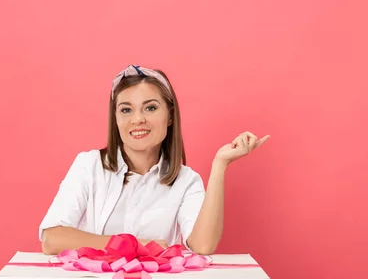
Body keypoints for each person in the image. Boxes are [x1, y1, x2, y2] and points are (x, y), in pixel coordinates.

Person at [39, 65, 269, 256]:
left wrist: (220, 165)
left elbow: (203, 245)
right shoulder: (89, 166)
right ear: (116, 118)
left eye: (150, 108)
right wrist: (135, 246)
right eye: (126, 110)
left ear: (169, 116)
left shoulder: (186, 181)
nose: (137, 119)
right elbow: (52, 237)